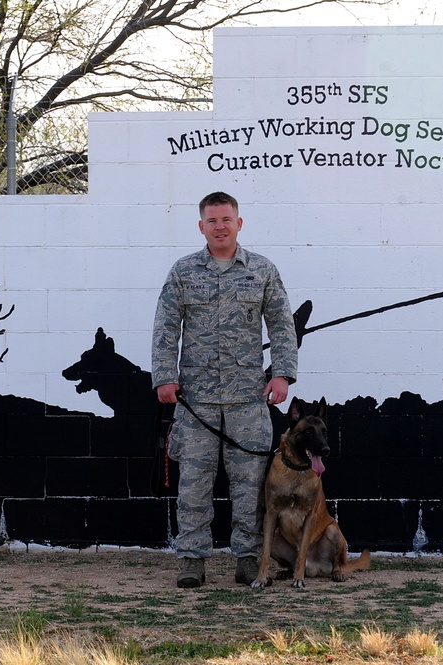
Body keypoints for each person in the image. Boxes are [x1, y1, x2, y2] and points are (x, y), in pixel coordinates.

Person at [152, 191, 298, 588]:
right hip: (195, 400)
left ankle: (248, 559)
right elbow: (166, 326)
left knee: (249, 486)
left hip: (247, 398)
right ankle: (192, 560)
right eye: (212, 221)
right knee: (194, 485)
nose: (220, 227)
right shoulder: (183, 272)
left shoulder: (262, 270)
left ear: (239, 223)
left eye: (226, 219)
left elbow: (283, 325)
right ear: (201, 226)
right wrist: (165, 376)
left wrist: (282, 373)